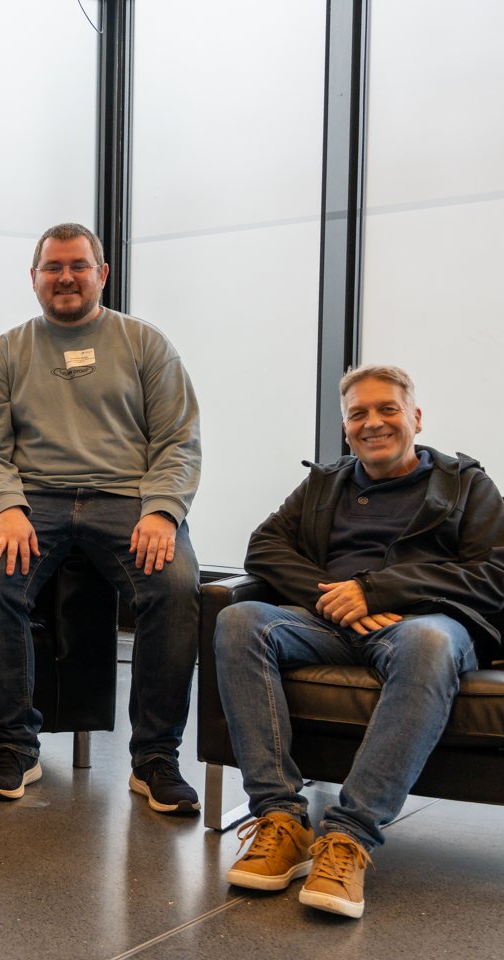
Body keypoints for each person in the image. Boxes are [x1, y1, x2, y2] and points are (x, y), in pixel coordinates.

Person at [216, 364, 504, 919]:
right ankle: (281, 819)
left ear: (415, 417)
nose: (373, 422)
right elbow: (265, 547)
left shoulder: (467, 484)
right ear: (346, 428)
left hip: (424, 624)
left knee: (426, 642)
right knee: (240, 620)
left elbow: (495, 574)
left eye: (387, 409)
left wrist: (378, 590)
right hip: (333, 624)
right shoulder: (326, 483)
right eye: (358, 414)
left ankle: (350, 837)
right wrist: (338, 599)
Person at [0, 222, 202, 812]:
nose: (65, 277)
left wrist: (163, 511)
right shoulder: (5, 352)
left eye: (77, 266)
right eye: (52, 268)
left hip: (127, 499)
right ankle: (16, 744)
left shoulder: (147, 345)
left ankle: (154, 758)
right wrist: (7, 509)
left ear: (102, 273)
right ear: (35, 278)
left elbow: (178, 441)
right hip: (32, 499)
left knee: (174, 584)